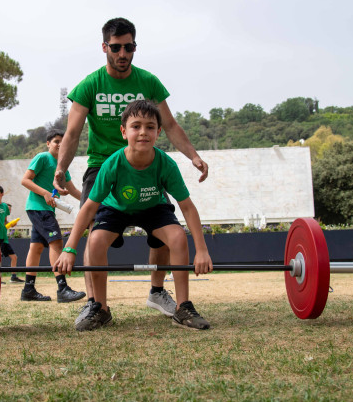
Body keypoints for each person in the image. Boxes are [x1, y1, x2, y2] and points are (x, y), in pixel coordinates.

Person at [53, 17, 209, 323]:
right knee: (91, 228)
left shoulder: (148, 82)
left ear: (134, 47)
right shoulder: (90, 85)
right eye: (116, 47)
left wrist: (192, 155)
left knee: (162, 225)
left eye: (129, 47)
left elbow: (171, 125)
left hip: (146, 163)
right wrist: (61, 168)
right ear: (105, 47)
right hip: (103, 165)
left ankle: (158, 291)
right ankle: (98, 305)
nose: (123, 53)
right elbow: (71, 134)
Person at [54, 100, 213, 331]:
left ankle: (183, 307)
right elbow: (88, 208)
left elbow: (187, 207)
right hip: (116, 208)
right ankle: (100, 308)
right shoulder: (112, 164)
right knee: (96, 240)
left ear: (159, 132)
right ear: (123, 131)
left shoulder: (166, 164)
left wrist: (202, 250)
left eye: (150, 127)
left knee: (178, 236)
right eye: (135, 126)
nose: (142, 132)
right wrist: (69, 249)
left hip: (153, 207)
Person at [20, 131, 86, 303]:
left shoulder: (62, 166)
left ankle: (28, 289)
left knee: (36, 248)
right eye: (56, 141)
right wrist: (45, 194)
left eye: (63, 142)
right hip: (38, 208)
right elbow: (25, 180)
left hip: (45, 210)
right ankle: (62, 288)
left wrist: (91, 202)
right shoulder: (42, 157)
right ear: (48, 143)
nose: (59, 144)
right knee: (56, 243)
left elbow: (72, 190)